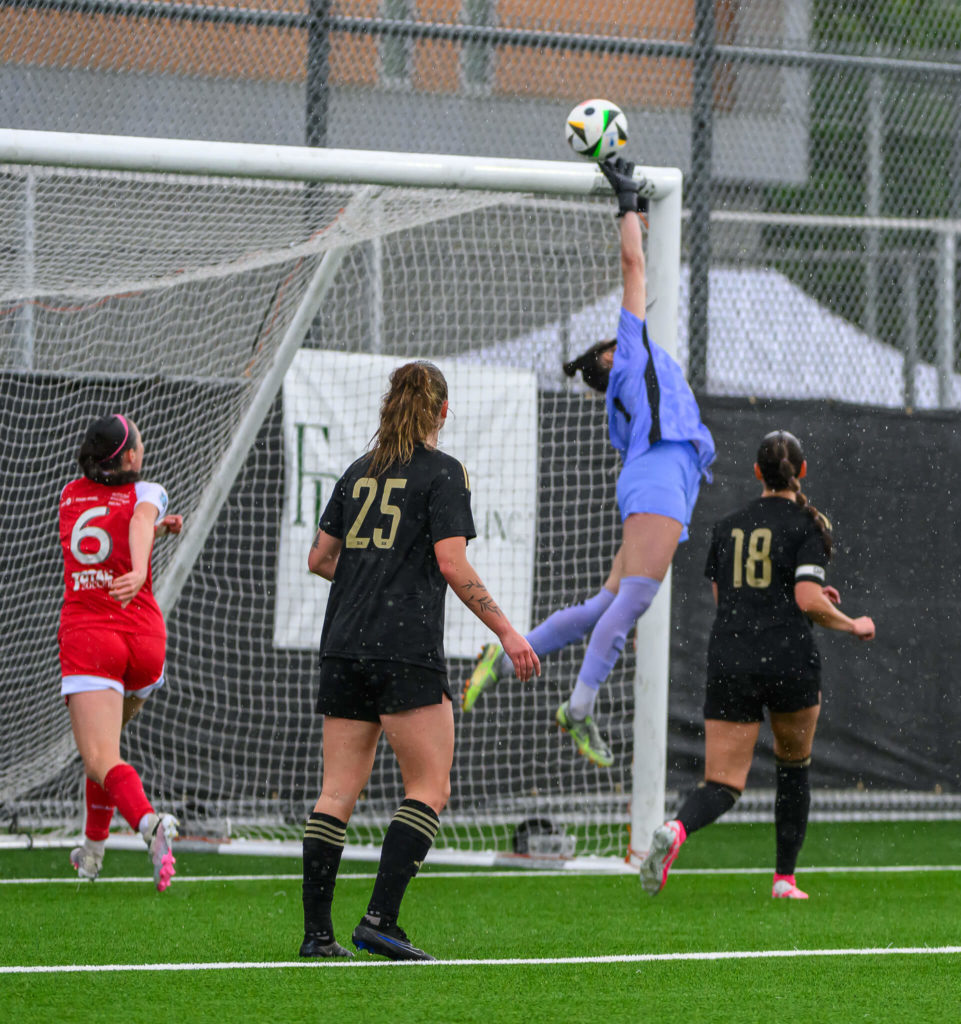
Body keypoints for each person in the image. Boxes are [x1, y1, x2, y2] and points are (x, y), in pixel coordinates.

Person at [462, 156, 715, 768]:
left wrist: (640, 214)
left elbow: (640, 264)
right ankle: (577, 710)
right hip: (661, 475)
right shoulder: (629, 352)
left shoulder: (627, 383)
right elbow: (633, 265)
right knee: (631, 606)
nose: (618, 328)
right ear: (608, 358)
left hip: (658, 475)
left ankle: (505, 651)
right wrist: (625, 198)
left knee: (604, 606)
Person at [300, 361, 539, 962]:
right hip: (404, 648)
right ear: (443, 411)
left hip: (344, 643)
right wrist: (508, 630)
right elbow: (454, 566)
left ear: (390, 406)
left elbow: (320, 558)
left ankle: (317, 935)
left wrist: (369, 578)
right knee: (430, 786)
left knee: (335, 794)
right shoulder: (444, 472)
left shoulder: (359, 472)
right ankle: (380, 919)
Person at [638, 430, 875, 900]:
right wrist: (852, 623)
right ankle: (784, 880)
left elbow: (725, 598)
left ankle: (677, 828)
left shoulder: (728, 525)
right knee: (794, 767)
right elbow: (808, 599)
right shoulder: (809, 523)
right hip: (789, 659)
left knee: (723, 783)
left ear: (756, 473)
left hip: (731, 659)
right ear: (801, 472)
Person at [59, 414, 183, 890]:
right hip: (144, 640)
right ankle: (91, 855)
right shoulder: (147, 491)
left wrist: (136, 560)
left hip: (93, 637)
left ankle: (150, 824)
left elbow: (123, 522)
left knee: (99, 759)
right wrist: (143, 557)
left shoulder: (69, 495)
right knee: (105, 755)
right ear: (130, 457)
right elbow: (137, 519)